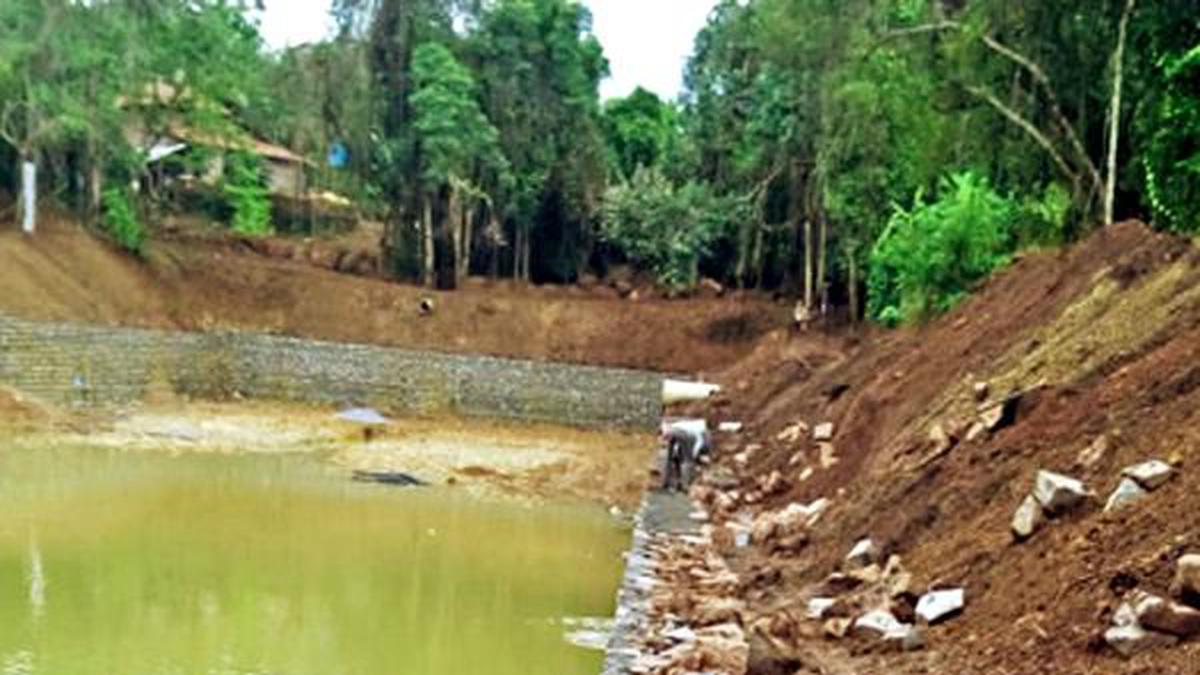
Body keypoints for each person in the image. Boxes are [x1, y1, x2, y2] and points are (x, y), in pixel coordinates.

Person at [661, 424, 711, 492]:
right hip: (685, 434)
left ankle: (666, 483)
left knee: (670, 459)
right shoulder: (704, 436)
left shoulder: (702, 434)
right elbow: (698, 443)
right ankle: (684, 485)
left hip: (674, 430)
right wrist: (694, 455)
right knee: (687, 461)